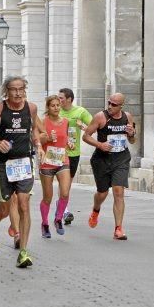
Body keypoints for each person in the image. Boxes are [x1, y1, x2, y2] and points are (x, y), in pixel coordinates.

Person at [0, 75, 44, 268]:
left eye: (21, 89)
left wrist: (38, 145)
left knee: (24, 204)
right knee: (6, 209)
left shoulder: (31, 108)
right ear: (6, 91)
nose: (17, 93)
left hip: (24, 163)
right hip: (4, 165)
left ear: (25, 90)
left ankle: (23, 251)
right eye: (13, 89)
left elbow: (33, 130)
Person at [82, 92, 137, 240]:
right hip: (102, 160)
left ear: (121, 106)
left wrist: (131, 134)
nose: (110, 106)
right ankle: (95, 210)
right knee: (102, 193)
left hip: (121, 159)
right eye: (109, 103)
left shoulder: (128, 117)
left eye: (114, 104)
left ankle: (118, 229)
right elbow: (86, 136)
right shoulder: (101, 117)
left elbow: (132, 141)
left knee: (118, 192)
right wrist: (100, 145)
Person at [39, 95, 74, 239]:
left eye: (58, 105)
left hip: (62, 161)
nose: (56, 108)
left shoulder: (66, 122)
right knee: (48, 197)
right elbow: (36, 140)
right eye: (53, 105)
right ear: (48, 107)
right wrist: (47, 138)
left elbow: (68, 139)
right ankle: (45, 223)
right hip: (47, 162)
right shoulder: (43, 122)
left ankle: (58, 218)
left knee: (65, 193)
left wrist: (70, 144)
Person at [58, 88, 93, 225]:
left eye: (61, 98)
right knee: (63, 182)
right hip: (59, 152)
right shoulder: (56, 111)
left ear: (69, 99)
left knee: (67, 184)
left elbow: (94, 126)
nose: (59, 100)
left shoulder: (80, 112)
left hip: (73, 153)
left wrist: (82, 126)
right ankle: (64, 210)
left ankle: (61, 208)